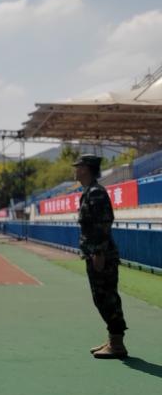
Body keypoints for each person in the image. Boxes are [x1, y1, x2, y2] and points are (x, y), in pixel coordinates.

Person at [73, 154, 130, 359]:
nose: (75, 170)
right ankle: (113, 339)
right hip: (95, 253)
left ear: (86, 169)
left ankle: (117, 343)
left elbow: (103, 223)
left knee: (107, 298)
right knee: (101, 297)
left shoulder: (96, 193)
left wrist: (98, 252)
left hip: (101, 254)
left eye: (78, 166)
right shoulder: (89, 192)